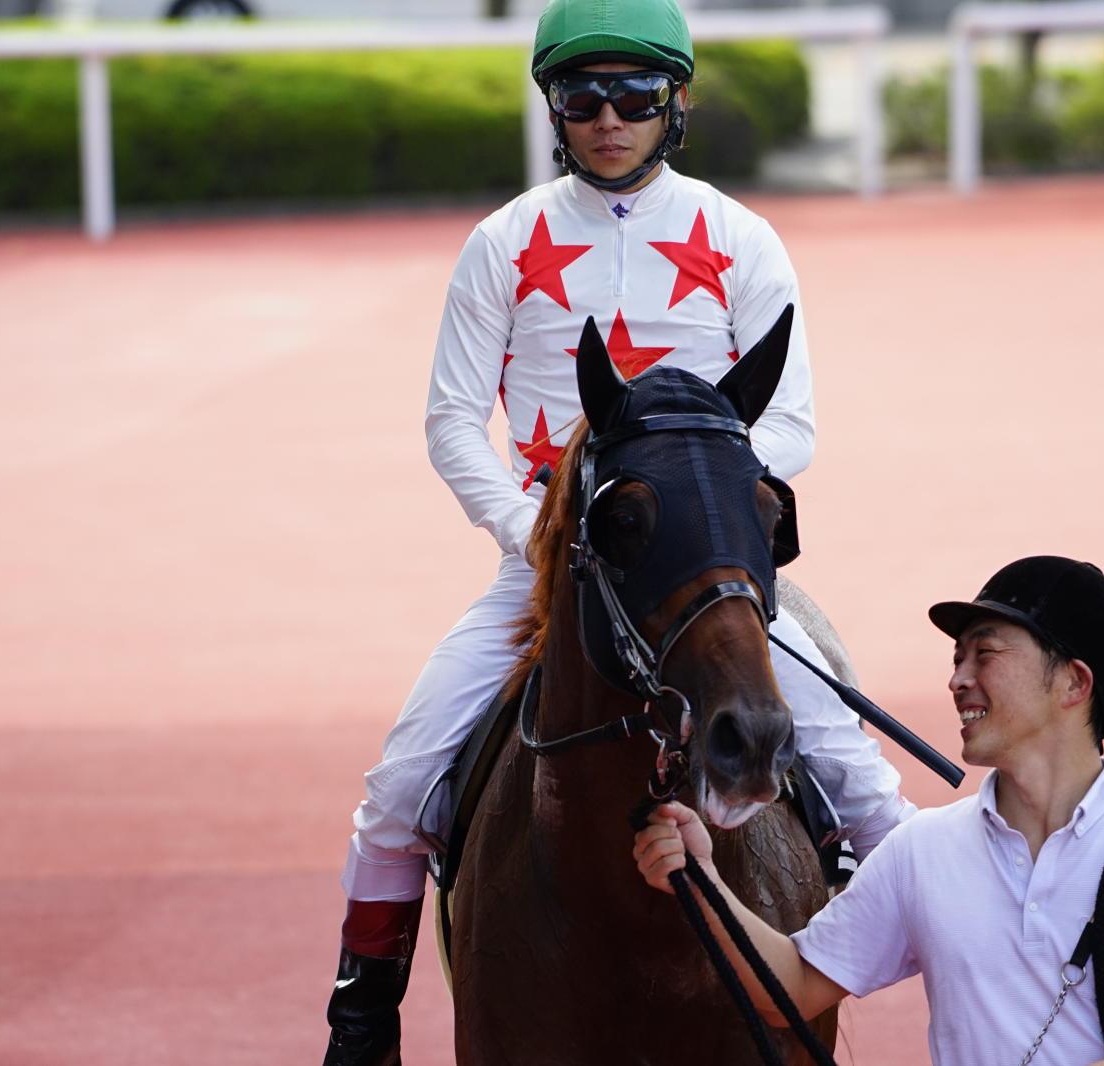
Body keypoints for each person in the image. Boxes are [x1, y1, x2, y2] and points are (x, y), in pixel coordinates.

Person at [320, 1, 916, 1061]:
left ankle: (944, 947)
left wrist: (700, 501)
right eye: (582, 95)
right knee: (401, 782)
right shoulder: (504, 242)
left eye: (635, 95)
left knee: (854, 770)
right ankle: (361, 1020)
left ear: (674, 104)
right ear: (554, 107)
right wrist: (534, 534)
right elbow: (453, 420)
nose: (608, 118)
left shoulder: (740, 237)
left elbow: (789, 424)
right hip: (552, 567)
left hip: (698, 569)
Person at [634, 556, 1104, 1065]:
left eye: (984, 654)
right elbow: (794, 987)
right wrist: (703, 878)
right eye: (957, 658)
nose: (958, 678)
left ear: (1074, 683)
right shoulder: (924, 849)